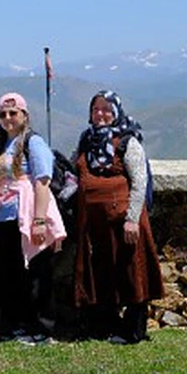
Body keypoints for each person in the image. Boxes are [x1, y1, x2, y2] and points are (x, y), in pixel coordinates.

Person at [73, 91, 164, 344]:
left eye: (106, 110)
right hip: (96, 225)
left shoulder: (127, 142)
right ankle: (106, 325)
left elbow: (139, 181)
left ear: (116, 113)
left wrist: (132, 218)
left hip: (124, 220)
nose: (100, 114)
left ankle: (134, 330)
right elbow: (76, 170)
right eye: (95, 109)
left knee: (132, 270)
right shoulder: (87, 140)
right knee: (103, 271)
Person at [0, 92, 67, 343]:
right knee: (6, 273)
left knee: (36, 273)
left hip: (29, 214)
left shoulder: (34, 143)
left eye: (13, 113)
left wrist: (39, 220)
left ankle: (42, 328)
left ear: (25, 115)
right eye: (3, 114)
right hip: (5, 217)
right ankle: (16, 324)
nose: (8, 118)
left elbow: (42, 181)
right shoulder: (0, 144)